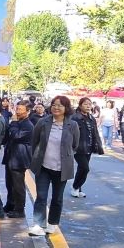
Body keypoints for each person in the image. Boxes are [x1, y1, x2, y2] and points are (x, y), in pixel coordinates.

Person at [29, 95, 80, 237]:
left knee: (57, 198)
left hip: (61, 169)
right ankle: (38, 225)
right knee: (41, 196)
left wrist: (66, 155)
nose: (56, 107)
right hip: (43, 167)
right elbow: (34, 142)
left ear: (66, 108)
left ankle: (52, 223)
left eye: (60, 105)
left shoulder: (72, 125)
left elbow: (75, 145)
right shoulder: (43, 122)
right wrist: (36, 158)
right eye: (54, 104)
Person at [1, 100, 33, 218]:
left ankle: (19, 209)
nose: (17, 112)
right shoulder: (17, 122)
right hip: (11, 155)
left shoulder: (28, 125)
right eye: (17, 109)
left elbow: (16, 136)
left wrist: (13, 123)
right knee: (9, 183)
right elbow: (7, 136)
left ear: (28, 111)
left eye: (20, 109)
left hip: (19, 158)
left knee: (18, 185)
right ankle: (10, 204)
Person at [71, 97, 103, 198]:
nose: (88, 106)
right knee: (85, 168)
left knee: (81, 168)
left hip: (89, 146)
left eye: (89, 104)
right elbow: (70, 133)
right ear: (80, 106)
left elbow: (95, 132)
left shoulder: (91, 118)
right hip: (78, 147)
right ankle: (75, 187)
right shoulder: (75, 117)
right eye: (85, 104)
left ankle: (78, 188)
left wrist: (98, 145)